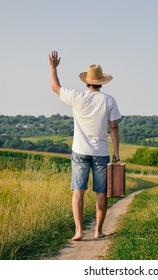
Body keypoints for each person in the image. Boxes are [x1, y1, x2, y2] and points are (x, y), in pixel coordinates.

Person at [48, 50, 121, 240]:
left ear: (86, 81)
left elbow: (55, 87)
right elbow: (114, 127)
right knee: (101, 192)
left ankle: (79, 231)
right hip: (101, 153)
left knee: (78, 190)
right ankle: (98, 230)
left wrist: (53, 68)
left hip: (79, 151)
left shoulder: (76, 96)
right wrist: (117, 152)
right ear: (101, 82)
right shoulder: (109, 100)